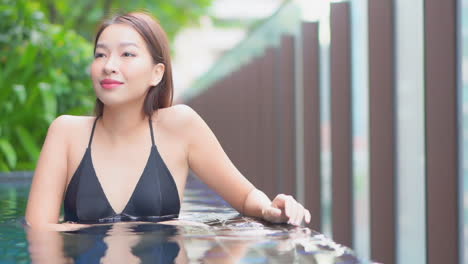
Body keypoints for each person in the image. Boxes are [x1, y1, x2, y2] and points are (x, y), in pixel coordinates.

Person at [25, 11, 311, 230]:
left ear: (156, 73)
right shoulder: (66, 132)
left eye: (127, 54)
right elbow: (38, 232)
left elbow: (246, 196)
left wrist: (270, 208)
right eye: (101, 54)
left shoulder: (181, 126)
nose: (109, 65)